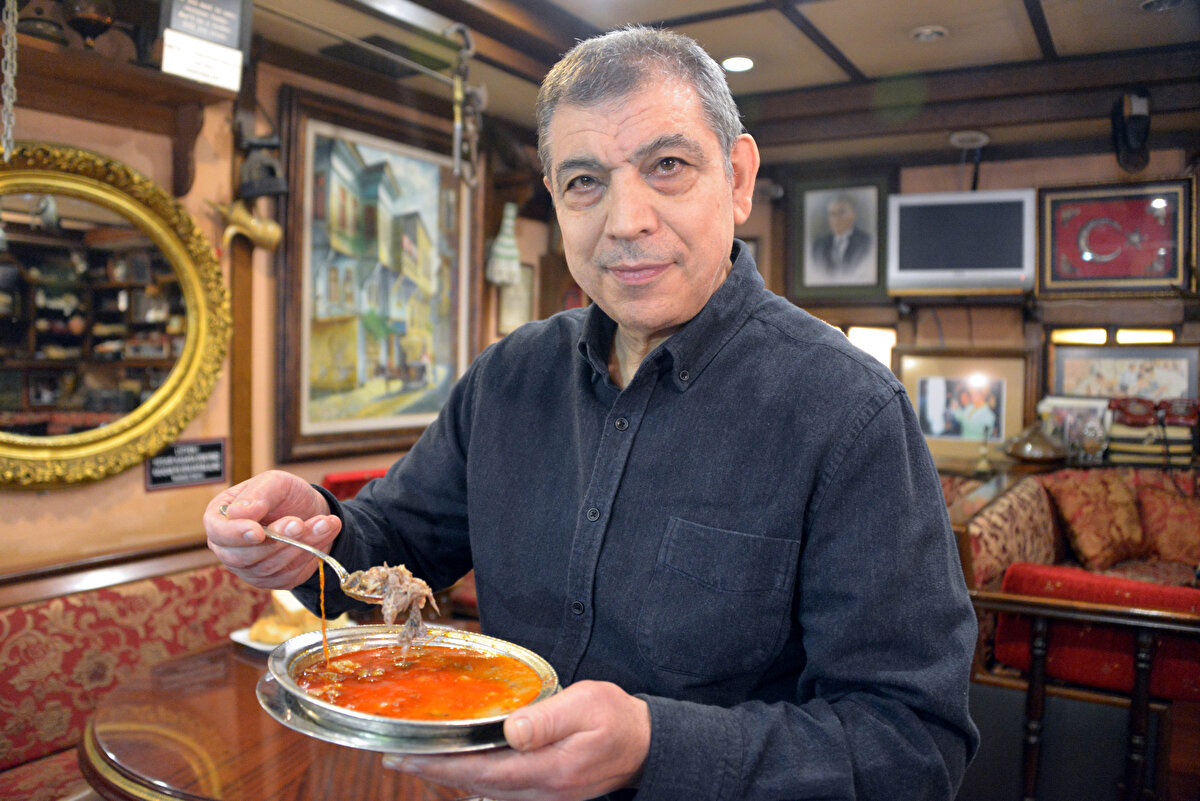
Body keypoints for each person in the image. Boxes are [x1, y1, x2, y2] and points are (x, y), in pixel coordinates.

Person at [205, 25, 979, 801]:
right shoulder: (509, 375)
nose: (625, 220)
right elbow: (389, 548)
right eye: (585, 181)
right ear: (556, 195)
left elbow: (912, 744)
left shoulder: (850, 412)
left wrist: (655, 747)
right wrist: (312, 538)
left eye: (667, 166)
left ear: (738, 178)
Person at [809, 195, 873, 274]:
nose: (836, 219)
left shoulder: (867, 242)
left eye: (841, 213)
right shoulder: (818, 245)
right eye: (832, 214)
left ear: (853, 215)